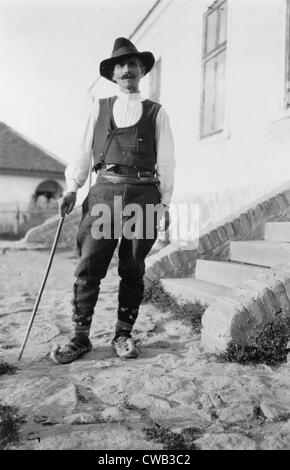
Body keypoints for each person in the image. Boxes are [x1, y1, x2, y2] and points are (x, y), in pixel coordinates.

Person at [51, 37, 175, 364]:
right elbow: (81, 151)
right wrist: (71, 188)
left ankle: (123, 334)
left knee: (132, 268)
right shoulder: (99, 108)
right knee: (89, 265)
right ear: (113, 74)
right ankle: (80, 337)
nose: (127, 70)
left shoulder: (156, 113)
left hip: (144, 195)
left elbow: (167, 162)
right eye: (120, 65)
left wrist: (164, 202)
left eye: (133, 64)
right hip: (104, 192)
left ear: (141, 71)